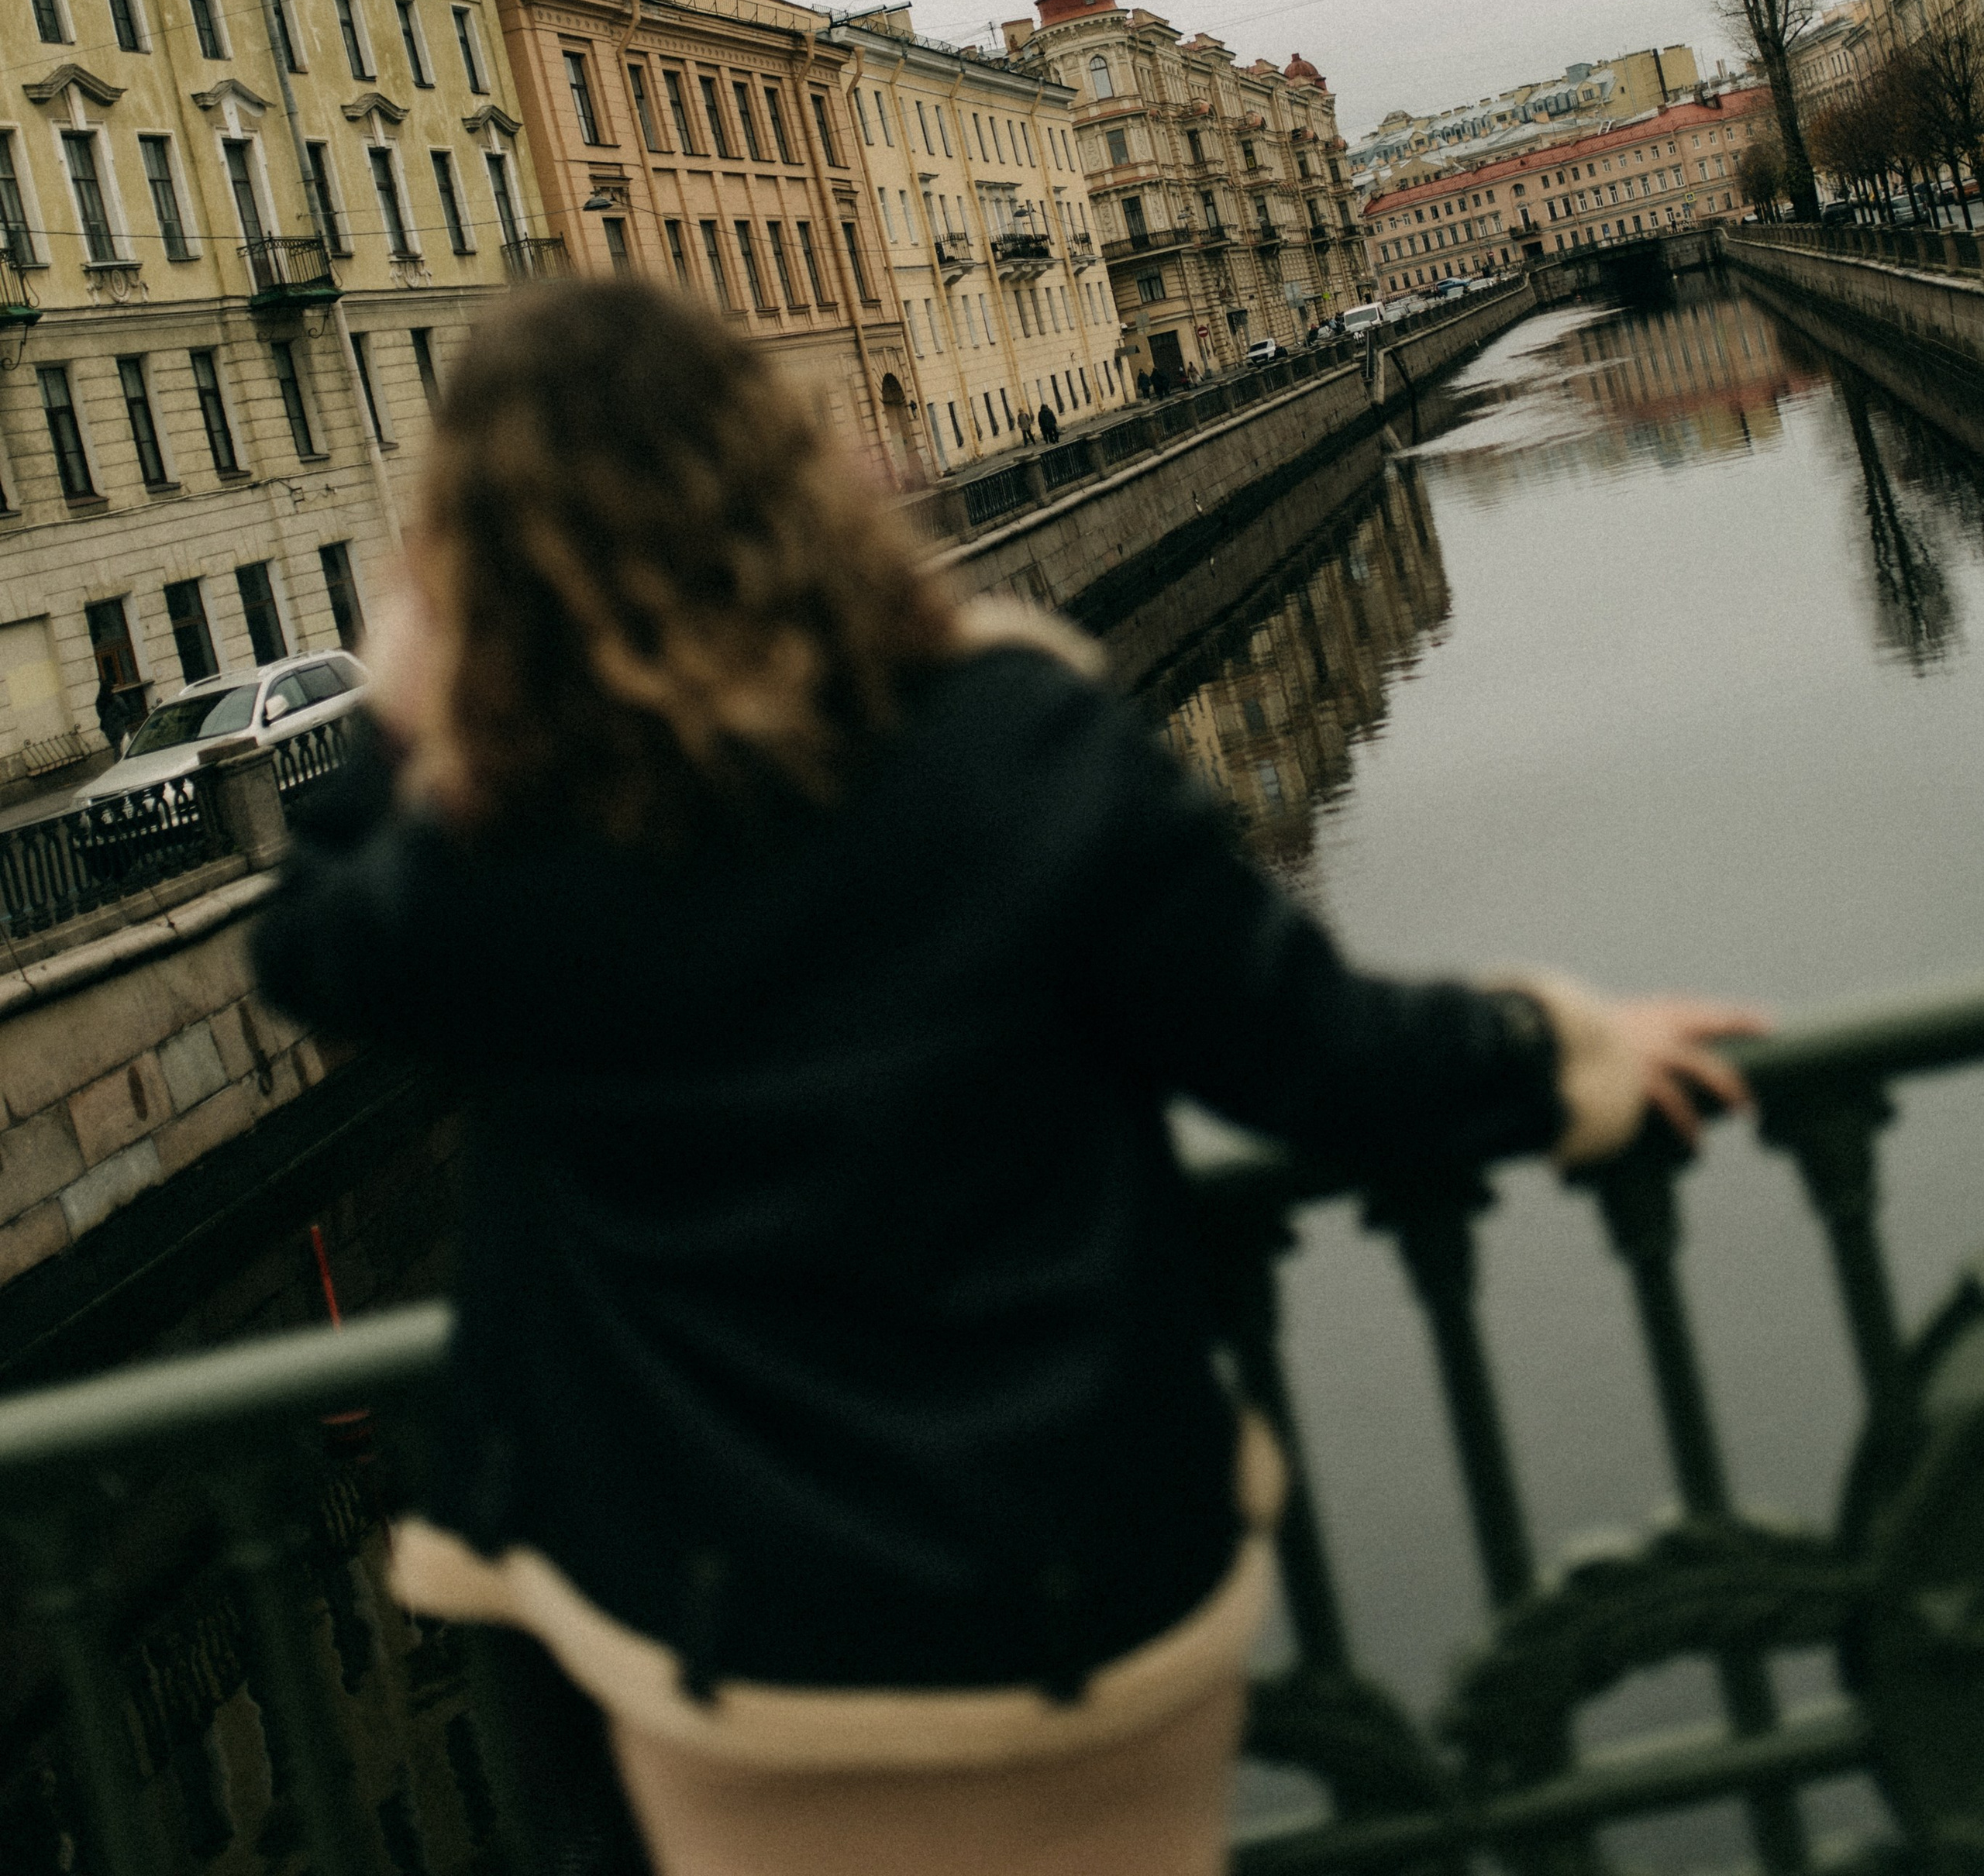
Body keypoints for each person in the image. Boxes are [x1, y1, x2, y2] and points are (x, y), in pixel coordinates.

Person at [253, 281, 1761, 1876]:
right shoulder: (1010, 735)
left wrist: (415, 704)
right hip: (1091, 1607)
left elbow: (312, 949)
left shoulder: (513, 846)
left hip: (746, 1664)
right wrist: (1564, 1052)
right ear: (792, 469)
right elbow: (1311, 1053)